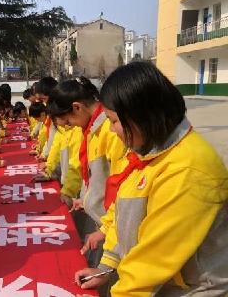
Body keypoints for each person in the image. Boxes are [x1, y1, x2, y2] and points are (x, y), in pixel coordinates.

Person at [75, 61, 228, 296]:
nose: (113, 131)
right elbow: (122, 216)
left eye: (115, 121)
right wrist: (105, 268)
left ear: (143, 115)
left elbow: (154, 259)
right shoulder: (146, 154)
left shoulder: (188, 169)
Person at [47, 77, 125, 265]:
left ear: (77, 107)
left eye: (67, 122)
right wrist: (88, 200)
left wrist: (107, 228)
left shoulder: (110, 130)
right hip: (104, 220)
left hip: (114, 225)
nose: (69, 127)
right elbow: (97, 176)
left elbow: (121, 186)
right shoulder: (91, 129)